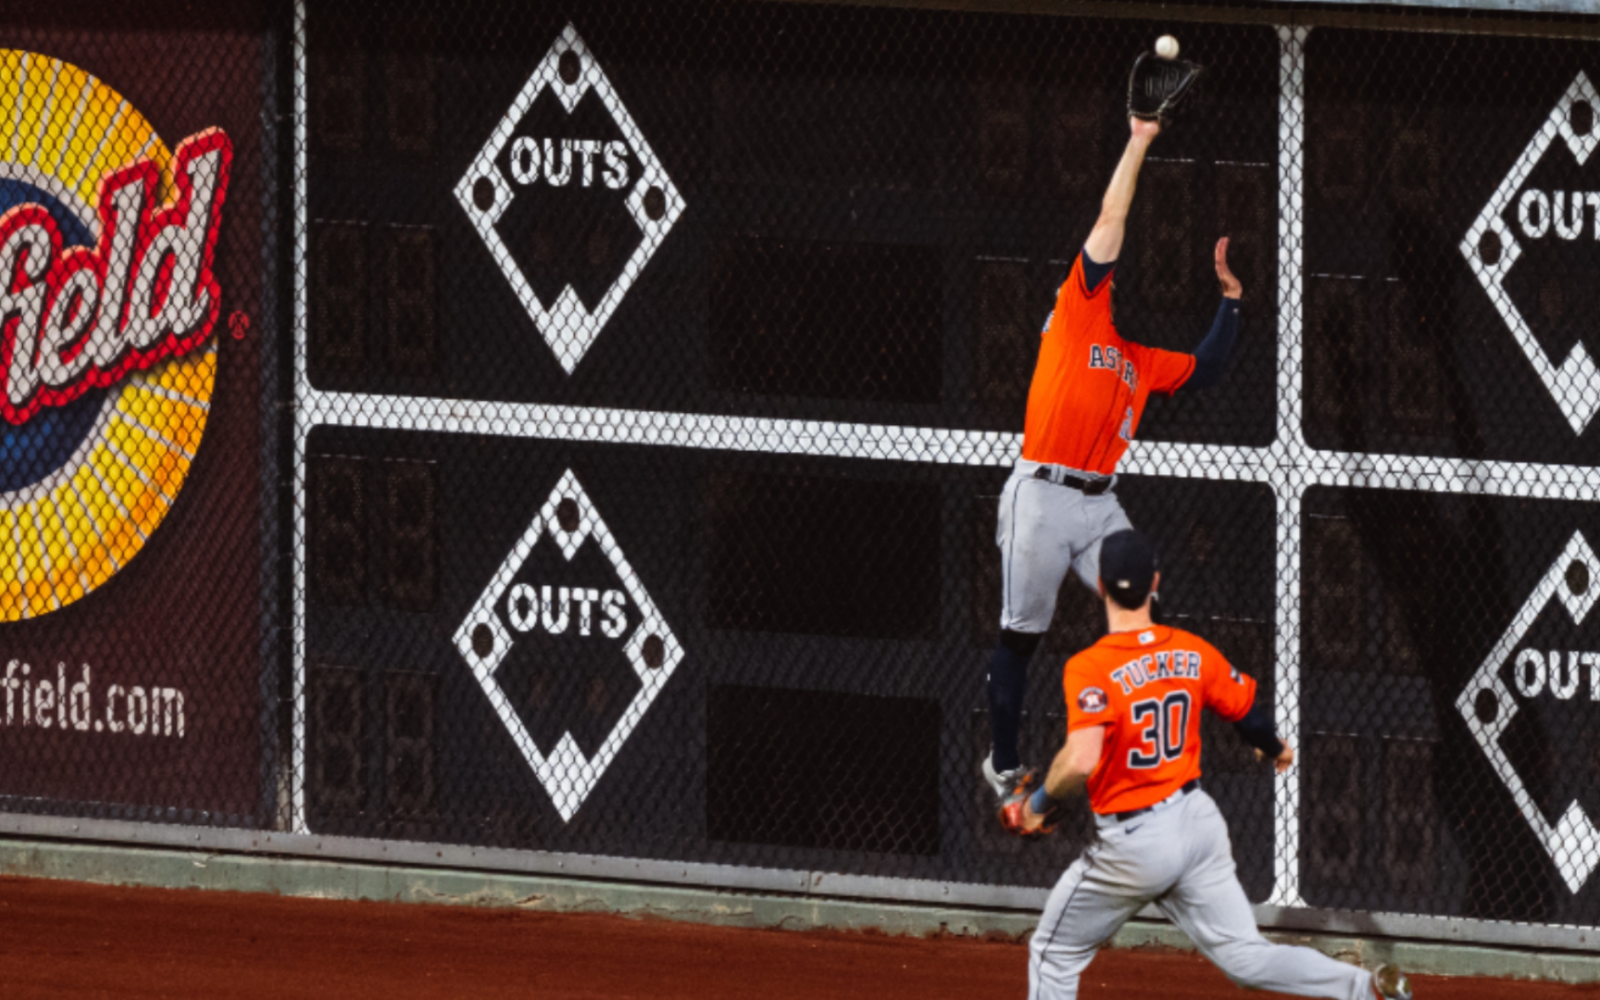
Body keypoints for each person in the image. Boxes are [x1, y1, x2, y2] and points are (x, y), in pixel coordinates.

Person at [1003, 530, 1413, 1000]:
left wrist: (1035, 804)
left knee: (1054, 955)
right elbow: (1248, 716)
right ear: (1154, 582)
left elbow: (1080, 758)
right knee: (1246, 956)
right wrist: (1275, 746)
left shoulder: (1090, 666)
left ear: (1099, 585)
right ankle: (1367, 989)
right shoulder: (1191, 650)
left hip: (1134, 844)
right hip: (1196, 824)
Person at [983, 114, 1243, 800]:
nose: (1107, 276)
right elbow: (1111, 215)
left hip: (1098, 505)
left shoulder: (1137, 361)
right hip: (1041, 493)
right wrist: (1140, 140)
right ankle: (1004, 764)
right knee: (1021, 636)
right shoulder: (1077, 310)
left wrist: (1231, 302)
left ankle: (1136, 757)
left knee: (1144, 612)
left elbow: (1209, 368)